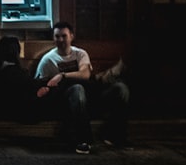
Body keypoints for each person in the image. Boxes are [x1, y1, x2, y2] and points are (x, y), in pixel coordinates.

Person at [34, 21, 130, 154]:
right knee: (77, 89)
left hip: (90, 98)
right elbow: (38, 85)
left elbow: (85, 74)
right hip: (66, 103)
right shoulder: (48, 60)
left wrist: (62, 75)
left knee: (121, 88)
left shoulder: (80, 54)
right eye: (57, 36)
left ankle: (113, 135)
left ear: (71, 36)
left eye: (64, 36)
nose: (60, 40)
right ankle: (83, 140)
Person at [0, 36, 52, 123]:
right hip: (18, 113)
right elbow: (24, 95)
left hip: (3, 111)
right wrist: (39, 93)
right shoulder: (14, 72)